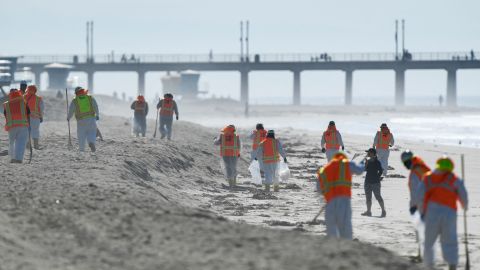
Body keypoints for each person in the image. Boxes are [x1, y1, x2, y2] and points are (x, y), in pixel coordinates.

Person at [416, 156, 468, 270]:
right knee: (449, 239)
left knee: (429, 241)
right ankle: (452, 265)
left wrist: (421, 211)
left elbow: (419, 196)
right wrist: (465, 206)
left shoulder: (428, 177)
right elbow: (463, 194)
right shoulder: (454, 179)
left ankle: (428, 265)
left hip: (431, 212)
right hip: (449, 212)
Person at [316, 152, 365, 239]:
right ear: (344, 158)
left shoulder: (324, 169)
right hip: (344, 201)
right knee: (346, 227)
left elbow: (319, 189)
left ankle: (333, 247)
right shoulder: (348, 164)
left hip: (330, 202)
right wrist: (363, 163)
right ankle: (346, 246)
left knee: (331, 229)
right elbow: (359, 170)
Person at [67, 87, 99, 152]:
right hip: (91, 119)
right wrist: (97, 115)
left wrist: (68, 117)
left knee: (81, 134)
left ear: (76, 93)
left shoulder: (75, 100)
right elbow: (95, 106)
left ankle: (81, 149)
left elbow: (71, 110)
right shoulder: (90, 97)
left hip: (81, 120)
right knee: (92, 132)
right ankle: (91, 142)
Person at [3, 89, 30, 163]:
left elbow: (5, 115)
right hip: (23, 125)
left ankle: (13, 158)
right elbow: (28, 113)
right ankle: (19, 159)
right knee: (21, 142)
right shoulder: (23, 103)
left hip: (11, 126)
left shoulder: (7, 104)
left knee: (12, 142)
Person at [400, 150, 431, 214]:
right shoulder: (422, 168)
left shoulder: (415, 172)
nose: (405, 165)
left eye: (405, 162)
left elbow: (415, 191)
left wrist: (413, 205)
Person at [361, 148, 386, 217]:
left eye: (369, 152)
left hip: (375, 182)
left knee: (378, 196)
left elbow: (381, 171)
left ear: (372, 153)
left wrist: (377, 178)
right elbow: (365, 170)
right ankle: (368, 211)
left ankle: (383, 211)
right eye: (368, 152)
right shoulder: (368, 161)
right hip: (367, 181)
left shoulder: (377, 162)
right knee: (368, 197)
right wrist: (366, 164)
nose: (368, 153)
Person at [24, 85, 44, 149]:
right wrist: (41, 117)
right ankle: (36, 145)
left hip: (26, 118)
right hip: (35, 118)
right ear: (35, 90)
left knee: (27, 132)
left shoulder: (23, 97)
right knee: (35, 131)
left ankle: (28, 145)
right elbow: (42, 108)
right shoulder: (38, 98)